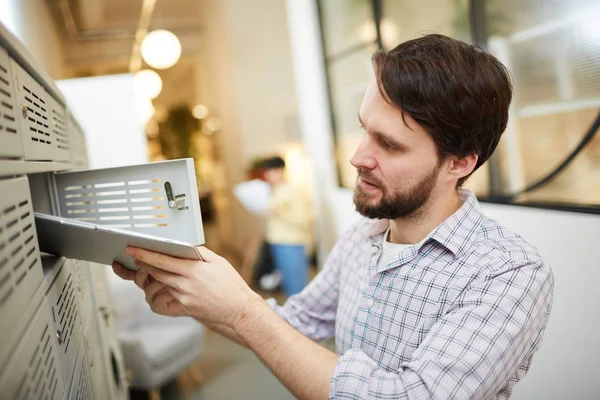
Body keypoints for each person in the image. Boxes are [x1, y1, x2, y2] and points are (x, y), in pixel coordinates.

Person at [112, 34, 554, 399]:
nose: (359, 157)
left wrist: (242, 310)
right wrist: (200, 298)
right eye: (364, 129)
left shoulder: (508, 273)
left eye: (391, 144)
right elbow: (297, 324)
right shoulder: (367, 234)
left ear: (459, 163)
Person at [260, 156, 312, 296]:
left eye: (271, 171)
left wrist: (278, 213)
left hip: (292, 243)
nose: (267, 175)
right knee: (288, 287)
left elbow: (303, 220)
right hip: (278, 243)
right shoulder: (274, 191)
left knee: (297, 288)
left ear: (280, 171)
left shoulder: (292, 190)